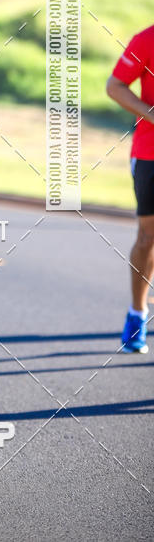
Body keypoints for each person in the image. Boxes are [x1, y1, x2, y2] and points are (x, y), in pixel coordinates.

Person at [106, 24, 154, 353]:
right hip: (150, 153)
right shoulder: (147, 39)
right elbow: (115, 86)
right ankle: (137, 313)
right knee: (148, 237)